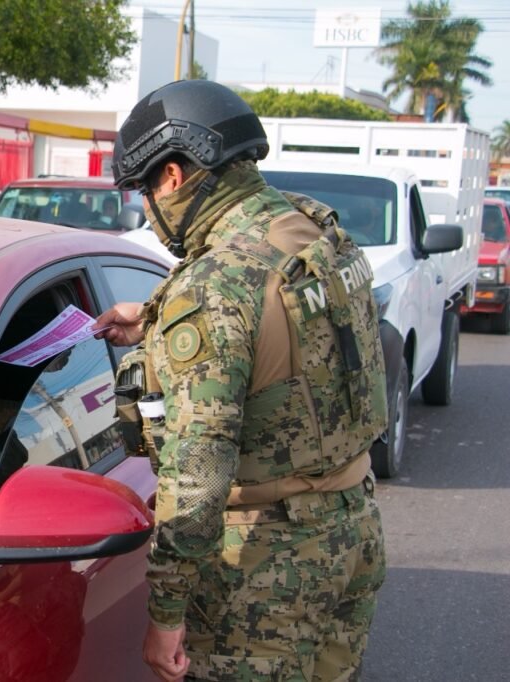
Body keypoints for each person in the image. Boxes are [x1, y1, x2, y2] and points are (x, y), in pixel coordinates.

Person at [94, 80, 388, 682]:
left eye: (144, 191)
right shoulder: (312, 229)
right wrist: (156, 320)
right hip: (350, 528)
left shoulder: (214, 288)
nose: (146, 212)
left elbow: (197, 471)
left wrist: (167, 611)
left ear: (173, 177)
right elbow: (289, 336)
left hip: (265, 570)